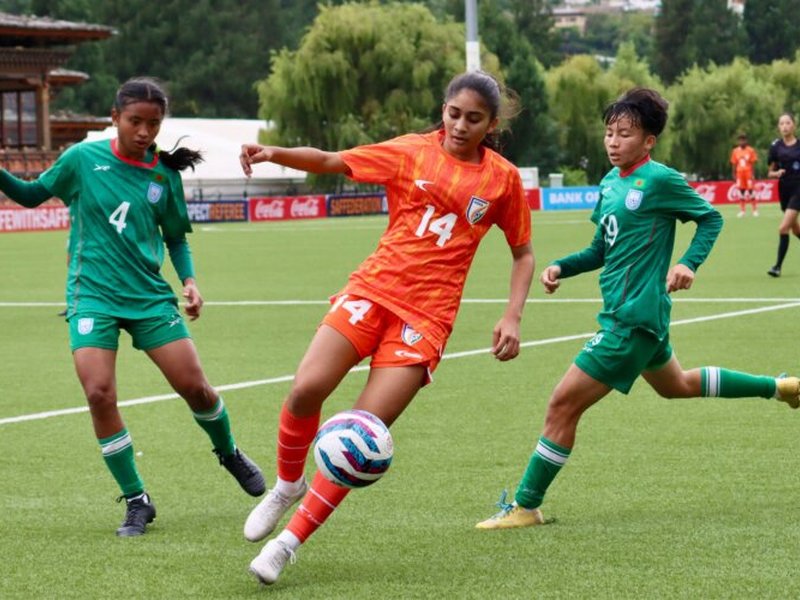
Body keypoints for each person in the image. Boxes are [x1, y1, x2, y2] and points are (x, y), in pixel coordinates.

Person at [239, 70, 534, 584]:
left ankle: (287, 545)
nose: (460, 126)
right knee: (306, 389)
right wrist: (274, 153)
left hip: (426, 319)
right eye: (453, 113)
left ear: (491, 123)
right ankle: (286, 486)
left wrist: (512, 314)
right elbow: (334, 161)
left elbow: (523, 254)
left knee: (360, 437)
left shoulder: (502, 180)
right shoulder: (411, 151)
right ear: (443, 109)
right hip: (372, 291)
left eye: (473, 118)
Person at [475, 88, 800, 531]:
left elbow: (711, 218)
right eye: (609, 132)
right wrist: (561, 267)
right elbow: (600, 249)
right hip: (638, 318)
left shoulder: (661, 180)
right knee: (679, 385)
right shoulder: (610, 183)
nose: (612, 142)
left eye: (624, 134)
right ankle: (781, 388)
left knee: (561, 405)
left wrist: (688, 262)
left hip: (631, 319)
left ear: (648, 141)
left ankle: (526, 505)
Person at [0, 77, 265, 537]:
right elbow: (29, 195)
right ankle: (137, 500)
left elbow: (175, 237)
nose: (144, 131)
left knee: (196, 388)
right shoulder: (82, 160)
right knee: (99, 393)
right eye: (135, 121)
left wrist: (190, 281)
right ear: (114, 118)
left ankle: (228, 451)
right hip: (92, 296)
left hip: (148, 297)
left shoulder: (164, 175)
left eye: (153, 123)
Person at [766, 112, 800, 277]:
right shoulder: (775, 147)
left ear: (794, 125)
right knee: (795, 229)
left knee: (783, 228)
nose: (785, 126)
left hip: (798, 190)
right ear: (779, 127)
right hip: (784, 190)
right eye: (781, 124)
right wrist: (776, 173)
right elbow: (770, 172)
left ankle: (777, 267)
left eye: (788, 123)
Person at [730, 133, 758, 217]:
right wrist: (733, 174)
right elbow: (734, 163)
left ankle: (754, 210)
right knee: (741, 191)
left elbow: (753, 163)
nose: (742, 141)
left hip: (748, 173)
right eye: (740, 140)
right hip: (739, 174)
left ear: (746, 141)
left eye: (743, 140)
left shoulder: (751, 150)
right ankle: (742, 210)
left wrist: (753, 174)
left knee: (751, 191)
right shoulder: (735, 151)